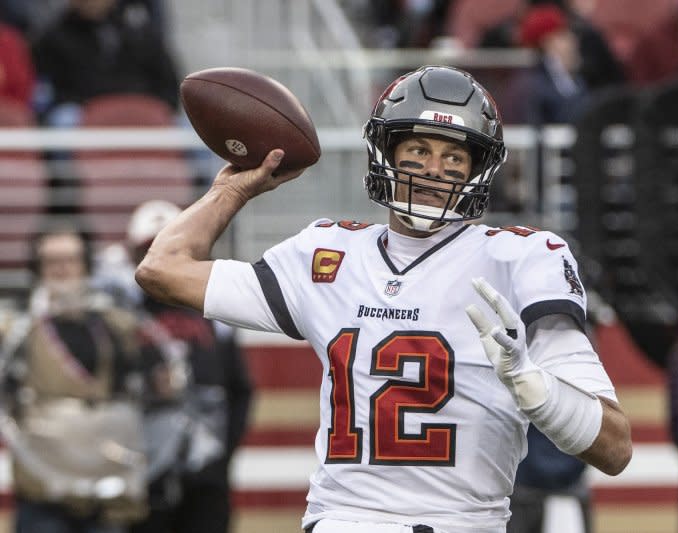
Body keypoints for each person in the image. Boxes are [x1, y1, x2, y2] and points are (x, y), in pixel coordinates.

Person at [135, 65, 632, 532]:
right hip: (346, 519)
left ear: (477, 171)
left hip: (463, 522)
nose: (434, 169)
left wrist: (535, 388)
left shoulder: (522, 259)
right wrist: (233, 190)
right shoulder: (327, 254)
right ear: (386, 153)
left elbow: (614, 448)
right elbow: (163, 269)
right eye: (417, 150)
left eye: (454, 157)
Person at [95, 199, 253, 533]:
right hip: (141, 473)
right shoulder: (118, 318)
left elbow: (240, 389)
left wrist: (220, 454)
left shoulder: (217, 314)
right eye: (148, 251)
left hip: (205, 474)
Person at [0, 221, 148, 533]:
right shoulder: (14, 329)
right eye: (52, 261)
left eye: (70, 260)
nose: (62, 270)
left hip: (103, 480)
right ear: (37, 267)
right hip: (43, 484)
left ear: (85, 265)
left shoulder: (115, 325)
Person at [31, 0, 179, 126]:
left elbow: (169, 87)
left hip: (141, 105)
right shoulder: (51, 38)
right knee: (64, 120)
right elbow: (50, 93)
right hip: (84, 110)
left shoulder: (141, 32)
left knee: (189, 126)